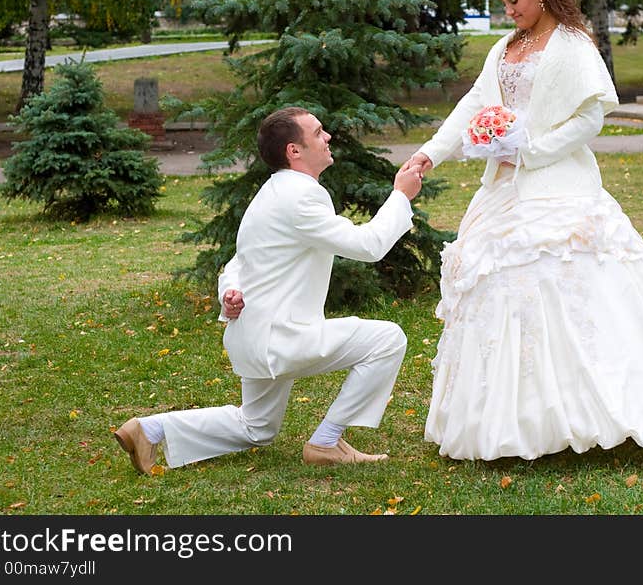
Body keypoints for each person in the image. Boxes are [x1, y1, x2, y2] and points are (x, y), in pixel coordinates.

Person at [403, 0, 643, 461]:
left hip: (558, 183)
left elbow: (590, 119)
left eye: (515, 0)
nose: (509, 11)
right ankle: (515, 420)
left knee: (575, 282)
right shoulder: (504, 48)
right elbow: (475, 103)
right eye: (502, 2)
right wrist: (430, 154)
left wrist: (532, 150)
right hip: (504, 187)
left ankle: (610, 406)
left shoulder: (572, 45)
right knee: (502, 284)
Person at [114, 106, 423, 474]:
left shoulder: (272, 192)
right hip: (281, 339)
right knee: (388, 338)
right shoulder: (300, 197)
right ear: (294, 150)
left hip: (254, 337)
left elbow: (238, 263)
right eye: (319, 132)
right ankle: (326, 442)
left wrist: (230, 292)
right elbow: (368, 246)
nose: (328, 138)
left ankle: (149, 428)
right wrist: (401, 196)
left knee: (257, 427)